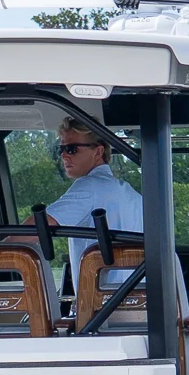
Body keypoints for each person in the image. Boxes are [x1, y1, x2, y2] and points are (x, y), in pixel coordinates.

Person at [43, 121, 142, 304]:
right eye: (61, 149)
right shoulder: (134, 197)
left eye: (72, 149)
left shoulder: (88, 186)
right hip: (140, 304)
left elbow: (40, 227)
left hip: (101, 309)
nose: (64, 155)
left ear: (98, 151)